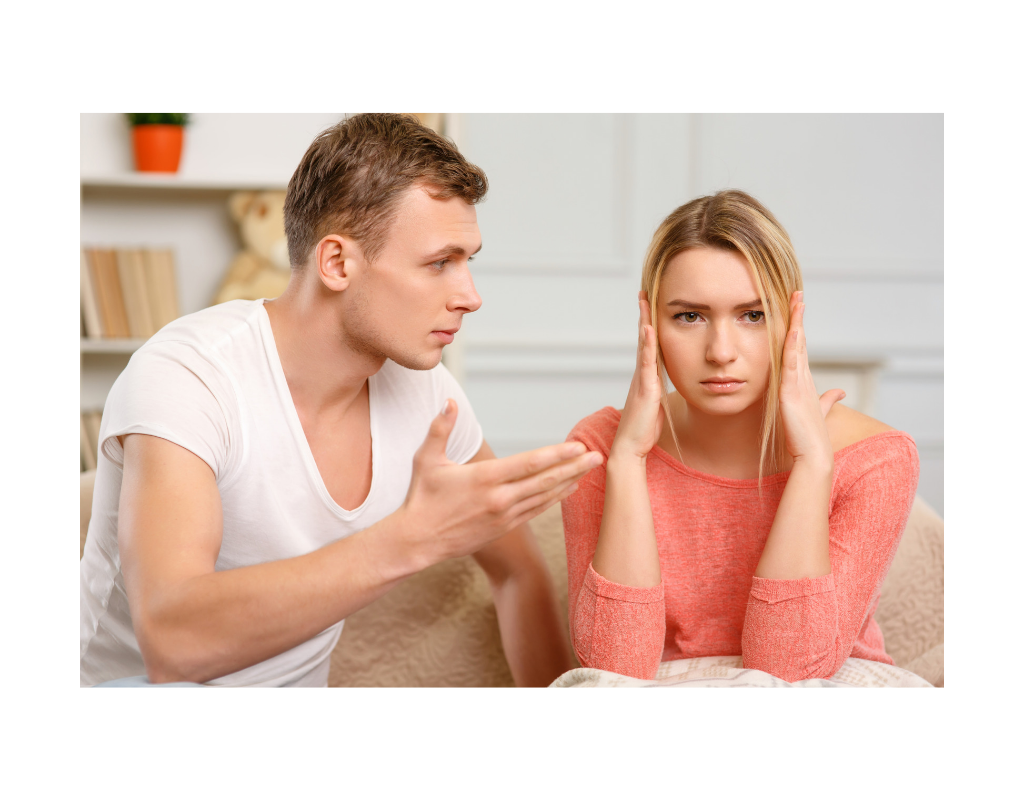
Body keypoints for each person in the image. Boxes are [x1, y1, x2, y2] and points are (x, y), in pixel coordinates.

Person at [80, 113, 601, 687]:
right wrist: (409, 540)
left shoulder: (426, 396)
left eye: (466, 261)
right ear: (336, 263)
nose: (470, 297)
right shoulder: (188, 375)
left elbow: (518, 573)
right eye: (439, 263)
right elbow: (172, 644)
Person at [561, 190, 919, 682]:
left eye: (754, 315)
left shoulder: (876, 458)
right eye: (689, 316)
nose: (721, 351)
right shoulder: (599, 448)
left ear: (792, 320)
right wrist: (627, 460)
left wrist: (813, 465)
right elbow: (613, 672)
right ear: (649, 323)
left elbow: (790, 672)